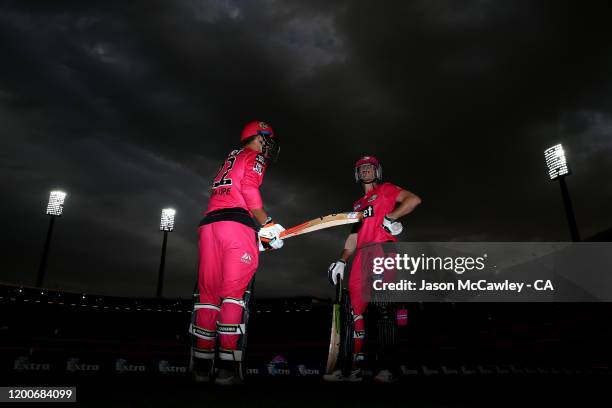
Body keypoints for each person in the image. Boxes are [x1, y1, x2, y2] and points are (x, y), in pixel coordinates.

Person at [190, 121, 285, 385]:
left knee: (208, 298)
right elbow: (248, 189)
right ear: (258, 138)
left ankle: (201, 366)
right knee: (233, 296)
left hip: (209, 226)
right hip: (235, 224)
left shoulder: (231, 156)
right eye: (268, 139)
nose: (270, 144)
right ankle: (226, 368)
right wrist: (267, 224)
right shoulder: (254, 156)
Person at [323, 156, 421, 383]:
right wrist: (342, 260)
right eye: (362, 168)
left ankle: (388, 369)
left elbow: (413, 200)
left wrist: (392, 216)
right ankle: (351, 369)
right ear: (358, 174)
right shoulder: (357, 205)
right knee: (353, 312)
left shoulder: (386, 190)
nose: (366, 170)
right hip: (361, 256)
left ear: (377, 171)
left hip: (382, 250)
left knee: (383, 307)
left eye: (370, 167)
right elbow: (354, 236)